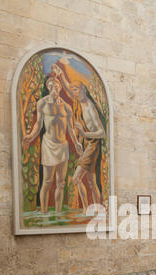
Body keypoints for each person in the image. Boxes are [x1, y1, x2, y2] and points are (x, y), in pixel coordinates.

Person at [22, 76, 83, 213]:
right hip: (48, 144)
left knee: (61, 183)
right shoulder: (42, 103)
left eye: (56, 86)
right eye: (50, 86)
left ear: (60, 87)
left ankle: (58, 212)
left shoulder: (67, 107)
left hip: (62, 145)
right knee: (47, 181)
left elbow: (70, 129)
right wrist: (30, 136)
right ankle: (43, 212)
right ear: (47, 88)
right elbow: (38, 124)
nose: (53, 88)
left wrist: (77, 143)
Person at [52, 64, 106, 213]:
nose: (73, 92)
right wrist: (61, 74)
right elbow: (68, 87)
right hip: (86, 144)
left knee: (76, 178)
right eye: (73, 90)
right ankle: (97, 209)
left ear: (83, 90)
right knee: (90, 180)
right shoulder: (78, 100)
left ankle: (86, 209)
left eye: (76, 90)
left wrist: (83, 133)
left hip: (92, 144)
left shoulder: (90, 109)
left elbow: (101, 132)